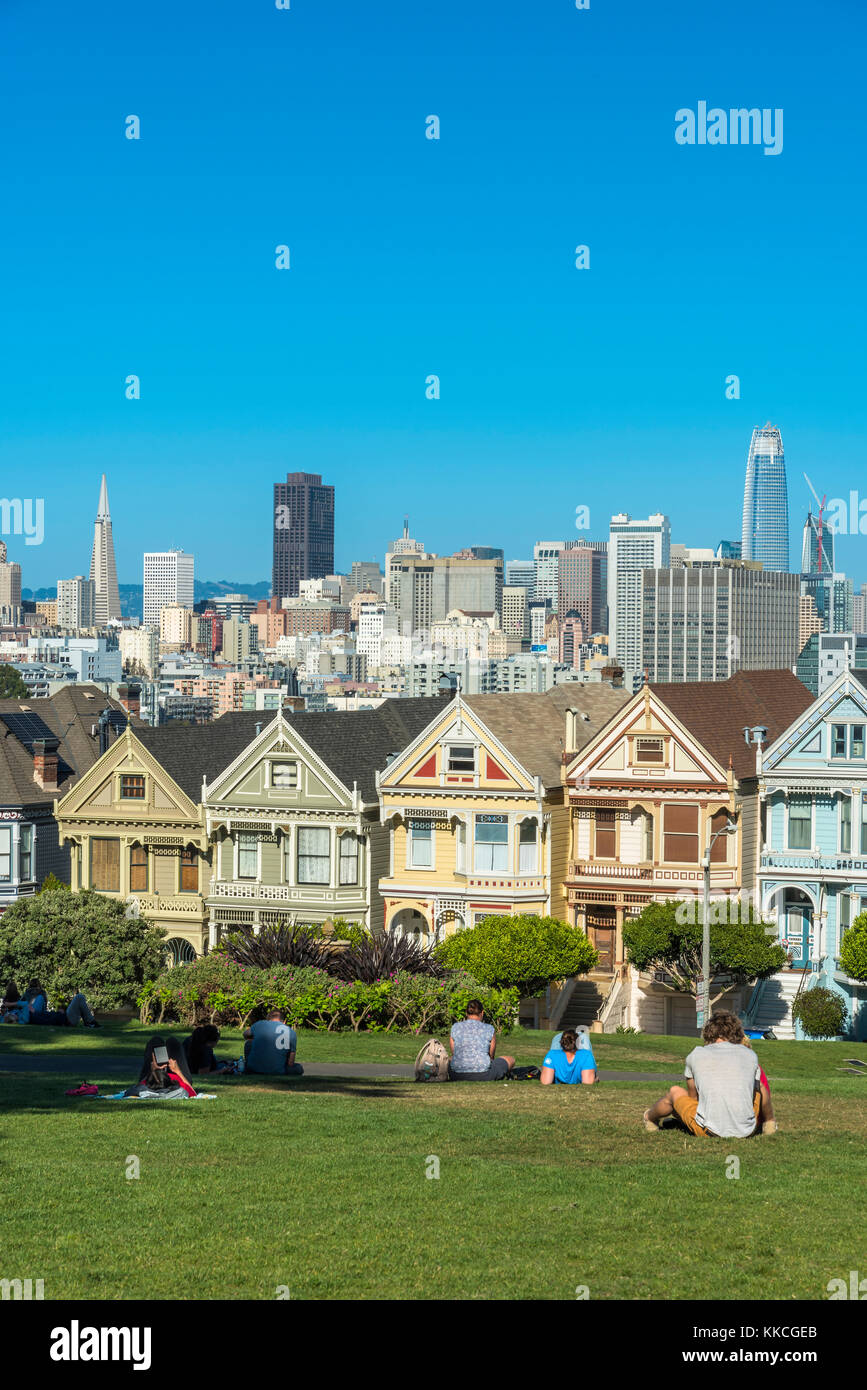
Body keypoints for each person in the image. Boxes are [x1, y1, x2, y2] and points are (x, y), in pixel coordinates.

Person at [642, 1010, 775, 1138]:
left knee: (674, 1092)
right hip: (747, 1130)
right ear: (737, 1032)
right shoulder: (750, 1055)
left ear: (708, 1033)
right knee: (759, 1086)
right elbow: (757, 1091)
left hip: (709, 1131)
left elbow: (693, 1099)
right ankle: (769, 1123)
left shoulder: (696, 1055)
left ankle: (649, 1118)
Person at [449, 999, 514, 1081]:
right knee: (511, 1059)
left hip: (456, 1075)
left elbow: (454, 1053)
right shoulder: (489, 1028)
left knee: (449, 1059)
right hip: (484, 1074)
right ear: (482, 1013)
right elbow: (491, 1056)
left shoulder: (455, 1027)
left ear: (466, 1013)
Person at [125, 1035, 197, 1098]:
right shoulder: (178, 1083)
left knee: (156, 1041)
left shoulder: (144, 1085)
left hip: (152, 1075)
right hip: (176, 1073)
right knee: (172, 1042)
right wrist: (177, 1071)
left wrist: (153, 1070)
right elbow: (193, 1094)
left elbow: (130, 1092)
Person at [243, 1009, 303, 1076]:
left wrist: (254, 1039)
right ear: (284, 1021)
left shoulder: (260, 1024)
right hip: (278, 1071)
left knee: (249, 1042)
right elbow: (290, 1063)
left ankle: (248, 1065)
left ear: (267, 1019)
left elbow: (245, 1034)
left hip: (254, 1069)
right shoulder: (291, 1032)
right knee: (299, 1068)